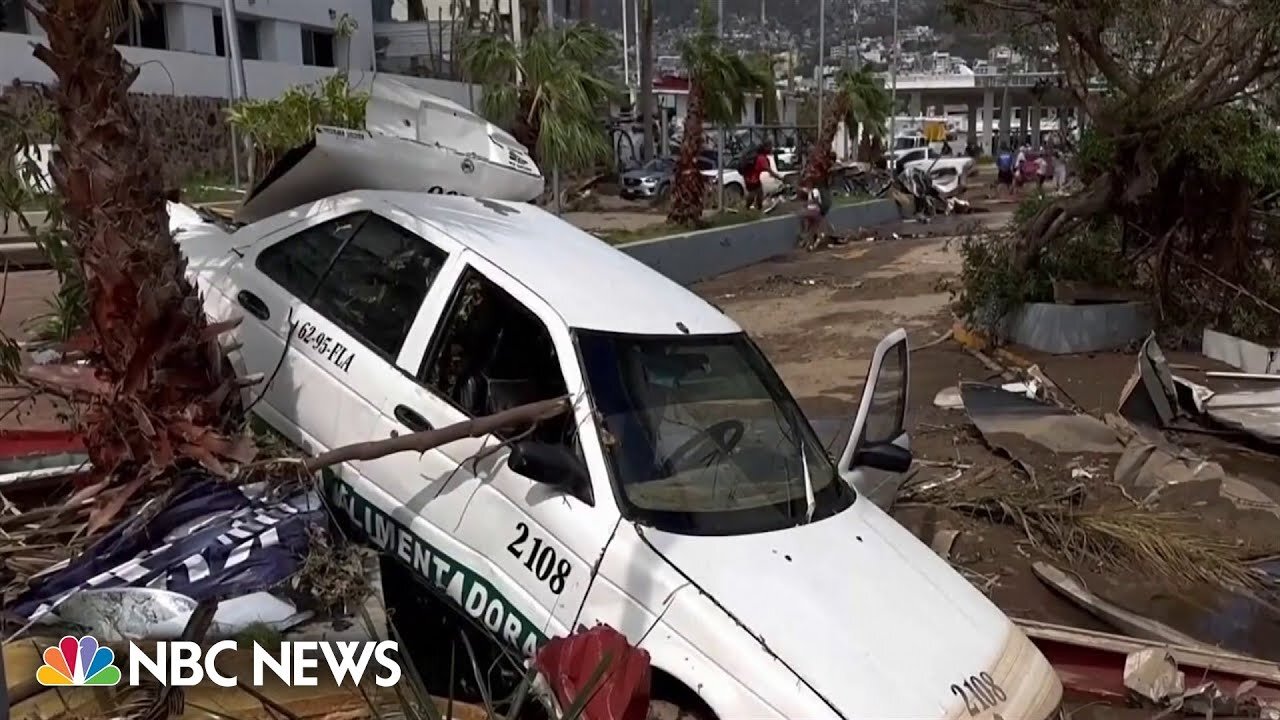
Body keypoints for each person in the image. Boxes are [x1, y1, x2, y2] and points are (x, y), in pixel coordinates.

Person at [744, 142, 779, 210]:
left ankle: (756, 207)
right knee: (754, 192)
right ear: (765, 148)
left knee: (759, 192)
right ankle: (749, 207)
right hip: (752, 177)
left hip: (749, 176)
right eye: (770, 147)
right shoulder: (761, 158)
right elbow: (769, 171)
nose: (771, 149)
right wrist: (779, 177)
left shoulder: (759, 156)